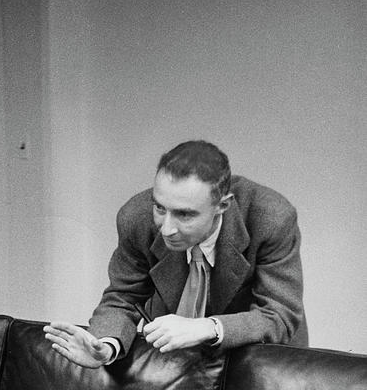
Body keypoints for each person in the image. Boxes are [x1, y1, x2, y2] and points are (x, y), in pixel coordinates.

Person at [44, 140, 308, 368]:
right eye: (160, 208)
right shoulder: (136, 218)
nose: (167, 229)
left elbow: (278, 316)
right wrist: (105, 345)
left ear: (223, 205)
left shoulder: (271, 218)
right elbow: (123, 297)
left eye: (185, 214)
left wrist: (208, 327)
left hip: (257, 359)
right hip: (178, 364)